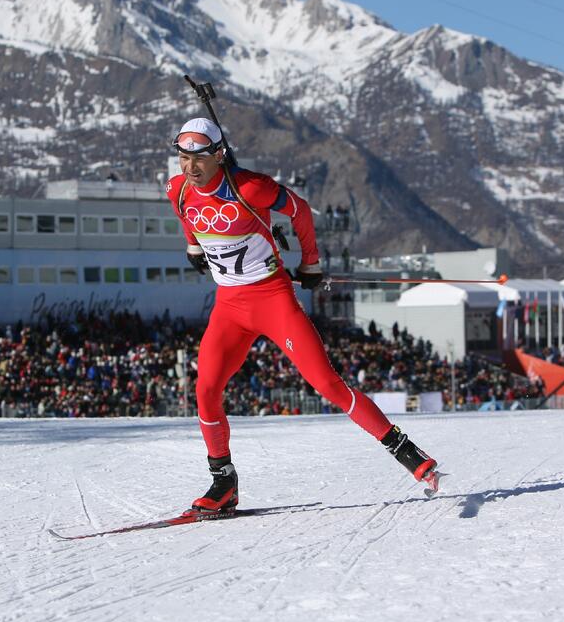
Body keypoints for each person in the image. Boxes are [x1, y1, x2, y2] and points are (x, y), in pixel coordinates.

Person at [165, 117, 440, 513]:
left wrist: (310, 264)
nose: (190, 167)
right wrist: (193, 248)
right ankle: (223, 481)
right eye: (183, 157)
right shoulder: (177, 190)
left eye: (200, 157)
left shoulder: (251, 188)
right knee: (205, 391)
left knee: (326, 383)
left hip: (272, 299)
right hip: (229, 306)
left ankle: (407, 452)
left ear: (219, 155)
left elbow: (301, 211)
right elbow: (187, 217)